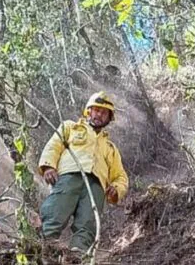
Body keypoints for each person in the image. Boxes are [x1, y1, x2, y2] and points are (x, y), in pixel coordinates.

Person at [38, 91, 129, 252]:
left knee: (87, 226)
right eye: (97, 110)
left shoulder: (110, 148)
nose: (99, 115)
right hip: (69, 177)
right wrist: (48, 166)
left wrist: (116, 190)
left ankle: (77, 257)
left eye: (104, 113)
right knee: (54, 213)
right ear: (89, 111)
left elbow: (120, 176)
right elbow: (54, 146)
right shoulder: (70, 127)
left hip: (96, 188)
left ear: (109, 119)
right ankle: (43, 251)